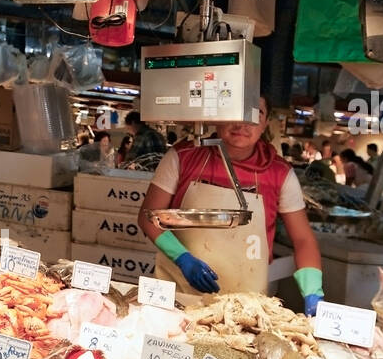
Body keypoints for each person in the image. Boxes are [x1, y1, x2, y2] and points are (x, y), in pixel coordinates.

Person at [138, 94, 325, 314]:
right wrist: (182, 258)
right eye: (234, 111)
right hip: (178, 293)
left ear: (265, 122)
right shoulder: (183, 156)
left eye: (255, 114)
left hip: (245, 302)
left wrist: (314, 292)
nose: (242, 123)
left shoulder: (280, 173)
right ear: (217, 116)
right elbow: (148, 217)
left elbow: (303, 239)